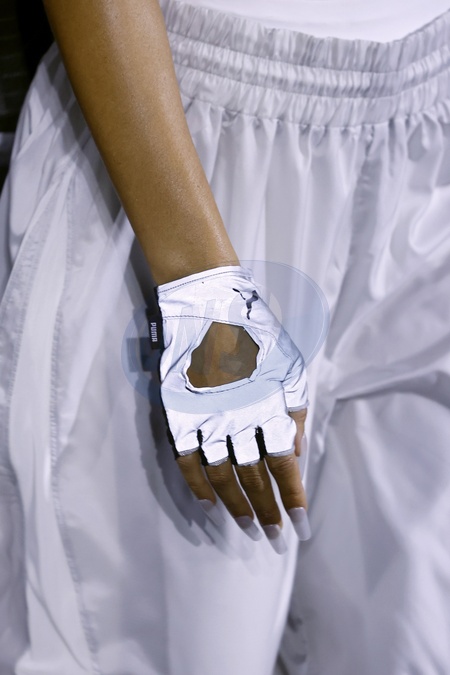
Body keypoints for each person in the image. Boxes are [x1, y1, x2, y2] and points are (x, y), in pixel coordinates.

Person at [1, 1, 450, 674]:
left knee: (411, 640)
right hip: (188, 144)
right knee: (166, 651)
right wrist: (201, 284)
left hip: (426, 144)